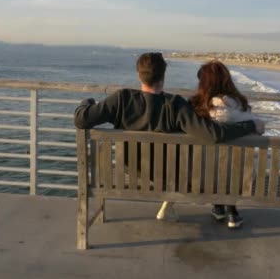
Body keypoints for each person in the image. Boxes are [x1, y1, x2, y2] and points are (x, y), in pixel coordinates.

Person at [74, 53, 265, 221]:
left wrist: (87, 102)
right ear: (163, 76)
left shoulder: (121, 98)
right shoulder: (176, 104)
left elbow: (81, 120)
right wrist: (250, 125)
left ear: (139, 74)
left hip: (130, 173)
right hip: (167, 177)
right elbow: (214, 134)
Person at [159, 60, 258, 229]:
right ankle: (231, 211)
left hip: (200, 177)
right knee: (231, 161)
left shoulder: (195, 106)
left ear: (203, 83)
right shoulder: (242, 107)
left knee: (207, 159)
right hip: (238, 176)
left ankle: (218, 207)